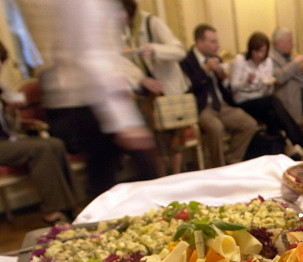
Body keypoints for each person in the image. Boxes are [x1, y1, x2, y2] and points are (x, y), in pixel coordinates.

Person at [20, 0, 158, 201]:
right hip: (89, 101)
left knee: (106, 178)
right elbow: (92, 55)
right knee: (134, 175)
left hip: (88, 99)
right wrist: (122, 118)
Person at [0, 40, 76, 224]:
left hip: (8, 140)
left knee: (55, 144)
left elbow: (8, 126)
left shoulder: (1, 87)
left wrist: (12, 112)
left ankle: (70, 205)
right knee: (40, 148)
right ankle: (53, 212)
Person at [117, 0, 189, 175]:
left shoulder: (151, 22)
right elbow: (121, 60)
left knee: (173, 139)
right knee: (153, 140)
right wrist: (141, 79)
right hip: (146, 91)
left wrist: (155, 49)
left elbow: (179, 51)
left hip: (167, 89)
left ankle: (177, 177)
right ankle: (161, 178)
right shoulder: (122, 30)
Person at [181, 24, 259, 168]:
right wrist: (205, 70)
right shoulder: (187, 61)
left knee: (249, 123)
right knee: (216, 128)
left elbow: (226, 89)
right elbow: (187, 87)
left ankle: (232, 161)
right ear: (200, 42)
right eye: (213, 42)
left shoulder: (217, 59)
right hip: (202, 107)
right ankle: (219, 167)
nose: (217, 45)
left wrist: (223, 79)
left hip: (221, 105)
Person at [229, 31, 303, 159]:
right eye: (257, 51)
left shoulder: (267, 63)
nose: (259, 55)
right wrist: (246, 81)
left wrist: (269, 86)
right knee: (273, 101)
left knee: (272, 114)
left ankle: (278, 152)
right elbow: (233, 87)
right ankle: (297, 138)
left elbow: (266, 90)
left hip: (261, 100)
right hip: (244, 101)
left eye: (262, 51)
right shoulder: (241, 61)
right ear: (251, 50)